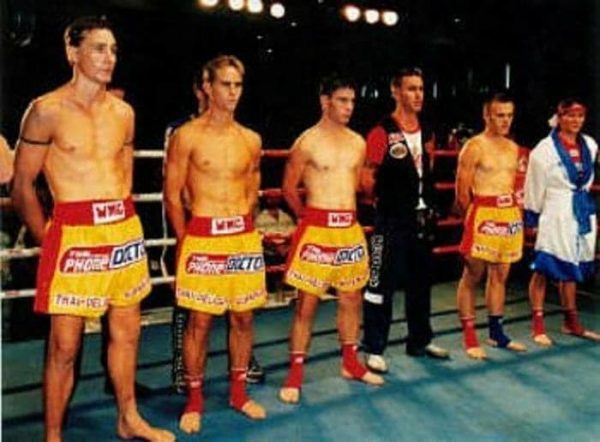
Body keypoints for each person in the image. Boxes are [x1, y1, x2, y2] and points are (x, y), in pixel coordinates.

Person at [10, 16, 174, 442]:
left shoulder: (124, 113)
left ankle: (128, 417)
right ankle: (53, 435)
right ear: (72, 51)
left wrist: (123, 222)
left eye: (114, 49)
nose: (109, 57)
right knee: (64, 345)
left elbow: (123, 175)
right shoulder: (45, 110)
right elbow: (21, 185)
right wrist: (48, 239)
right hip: (74, 233)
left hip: (121, 229)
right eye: (99, 48)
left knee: (127, 333)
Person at [164, 55, 267, 434]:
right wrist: (184, 240)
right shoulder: (187, 136)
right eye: (225, 84)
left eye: (238, 85)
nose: (233, 92)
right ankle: (194, 400)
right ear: (208, 87)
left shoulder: (250, 139)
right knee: (200, 322)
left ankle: (239, 393)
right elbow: (172, 195)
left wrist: (244, 229)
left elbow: (252, 189)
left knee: (243, 318)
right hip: (203, 236)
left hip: (241, 237)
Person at [279, 74, 384, 405]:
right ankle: (295, 375)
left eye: (352, 101)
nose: (349, 107)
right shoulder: (306, 142)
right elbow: (288, 188)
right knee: (306, 305)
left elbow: (360, 186)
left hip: (349, 228)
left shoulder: (358, 142)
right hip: (318, 229)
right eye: (342, 100)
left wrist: (383, 180)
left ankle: (350, 363)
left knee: (351, 299)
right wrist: (306, 218)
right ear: (325, 101)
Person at [361, 67, 449, 374]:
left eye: (421, 89)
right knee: (379, 285)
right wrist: (387, 203)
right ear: (396, 92)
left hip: (421, 218)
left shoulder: (428, 130)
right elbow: (367, 179)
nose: (418, 95)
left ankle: (420, 340)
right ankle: (374, 347)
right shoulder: (381, 132)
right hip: (390, 220)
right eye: (411, 89)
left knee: (421, 283)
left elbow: (427, 171)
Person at [455, 92, 527, 360]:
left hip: (508, 214)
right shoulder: (474, 146)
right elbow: (461, 191)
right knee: (473, 274)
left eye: (509, 115)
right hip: (483, 214)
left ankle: (497, 333)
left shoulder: (513, 147)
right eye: (500, 115)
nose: (505, 120)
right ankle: (470, 336)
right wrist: (471, 219)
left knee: (500, 276)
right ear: (487, 115)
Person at [524, 98, 600, 345]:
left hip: (581, 209)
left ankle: (571, 322)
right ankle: (538, 325)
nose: (576, 120)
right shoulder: (544, 150)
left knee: (572, 267)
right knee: (544, 266)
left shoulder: (590, 144)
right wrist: (532, 218)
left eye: (580, 116)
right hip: (555, 209)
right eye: (570, 115)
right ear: (560, 117)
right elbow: (534, 185)